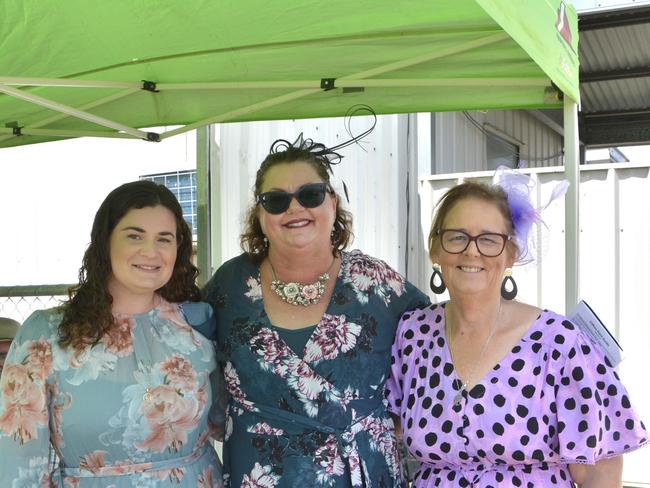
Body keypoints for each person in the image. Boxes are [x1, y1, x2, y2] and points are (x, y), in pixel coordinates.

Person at [386, 177, 648, 487]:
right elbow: (393, 433)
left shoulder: (560, 343)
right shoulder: (414, 334)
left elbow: (597, 472)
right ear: (435, 249)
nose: (472, 252)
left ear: (511, 253)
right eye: (457, 237)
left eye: (489, 239)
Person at [201, 134, 429, 487]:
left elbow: (435, 352)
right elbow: (187, 357)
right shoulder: (228, 285)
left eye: (310, 195)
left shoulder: (379, 284)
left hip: (361, 473)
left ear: (333, 204)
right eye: (275, 200)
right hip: (259, 475)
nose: (294, 208)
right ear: (259, 215)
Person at [0, 181, 224, 487]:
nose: (151, 251)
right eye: (134, 236)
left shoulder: (198, 324)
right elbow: (17, 459)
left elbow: (228, 420)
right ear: (105, 242)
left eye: (164, 239)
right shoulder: (46, 335)